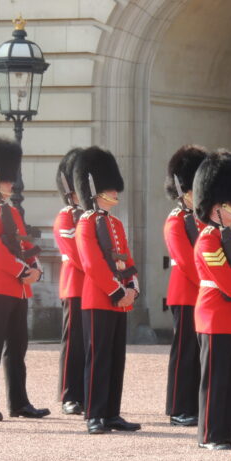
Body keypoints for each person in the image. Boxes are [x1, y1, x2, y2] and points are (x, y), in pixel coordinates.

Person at [0, 137, 50, 422]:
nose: (11, 184)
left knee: (18, 347)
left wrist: (36, 268)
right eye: (7, 179)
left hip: (19, 289)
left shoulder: (12, 211)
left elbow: (24, 244)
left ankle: (19, 402)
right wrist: (22, 271)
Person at [192, 150, 231, 451]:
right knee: (215, 380)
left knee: (230, 380)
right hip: (216, 315)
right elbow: (225, 278)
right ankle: (209, 434)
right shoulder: (207, 238)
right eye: (230, 204)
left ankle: (226, 431)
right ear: (215, 207)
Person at [74, 146, 141, 435]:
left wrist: (132, 287)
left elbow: (125, 257)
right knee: (98, 357)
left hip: (120, 299)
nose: (115, 193)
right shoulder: (86, 222)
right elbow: (92, 263)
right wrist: (117, 291)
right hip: (99, 298)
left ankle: (112, 412)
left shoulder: (115, 223)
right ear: (95, 191)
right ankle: (94, 413)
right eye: (110, 189)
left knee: (116, 358)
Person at [163, 144, 208, 427]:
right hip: (185, 294)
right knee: (184, 353)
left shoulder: (201, 220)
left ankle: (193, 405)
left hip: (203, 294)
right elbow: (186, 260)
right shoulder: (176, 220)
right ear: (182, 189)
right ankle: (178, 407)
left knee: (199, 353)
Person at [53, 148, 85, 415]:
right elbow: (75, 254)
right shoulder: (67, 216)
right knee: (73, 342)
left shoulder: (89, 217)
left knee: (88, 343)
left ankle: (84, 390)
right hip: (75, 285)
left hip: (95, 288)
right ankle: (68, 394)